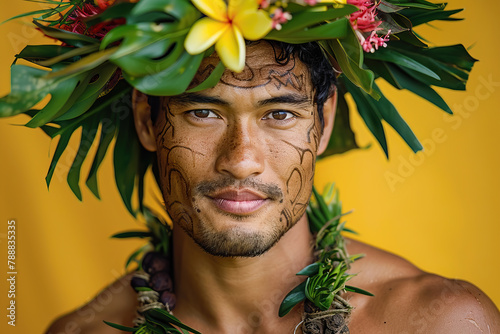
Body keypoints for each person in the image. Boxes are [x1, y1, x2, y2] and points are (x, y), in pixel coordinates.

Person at [1, 0, 499, 333]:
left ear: (323, 123)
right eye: (203, 112)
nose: (241, 160)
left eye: (279, 114)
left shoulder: (439, 323)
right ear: (146, 121)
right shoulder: (84, 331)